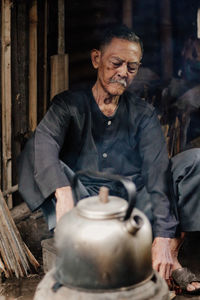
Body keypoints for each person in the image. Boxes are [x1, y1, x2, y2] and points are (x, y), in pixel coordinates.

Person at [18, 24, 200, 294]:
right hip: (84, 202)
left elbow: (159, 174)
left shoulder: (143, 114)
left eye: (131, 67)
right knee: (36, 146)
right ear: (96, 60)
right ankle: (87, 249)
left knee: (195, 160)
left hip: (136, 203)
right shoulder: (68, 104)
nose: (123, 73)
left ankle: (168, 256)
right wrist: (64, 193)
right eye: (116, 63)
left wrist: (164, 236)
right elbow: (45, 143)